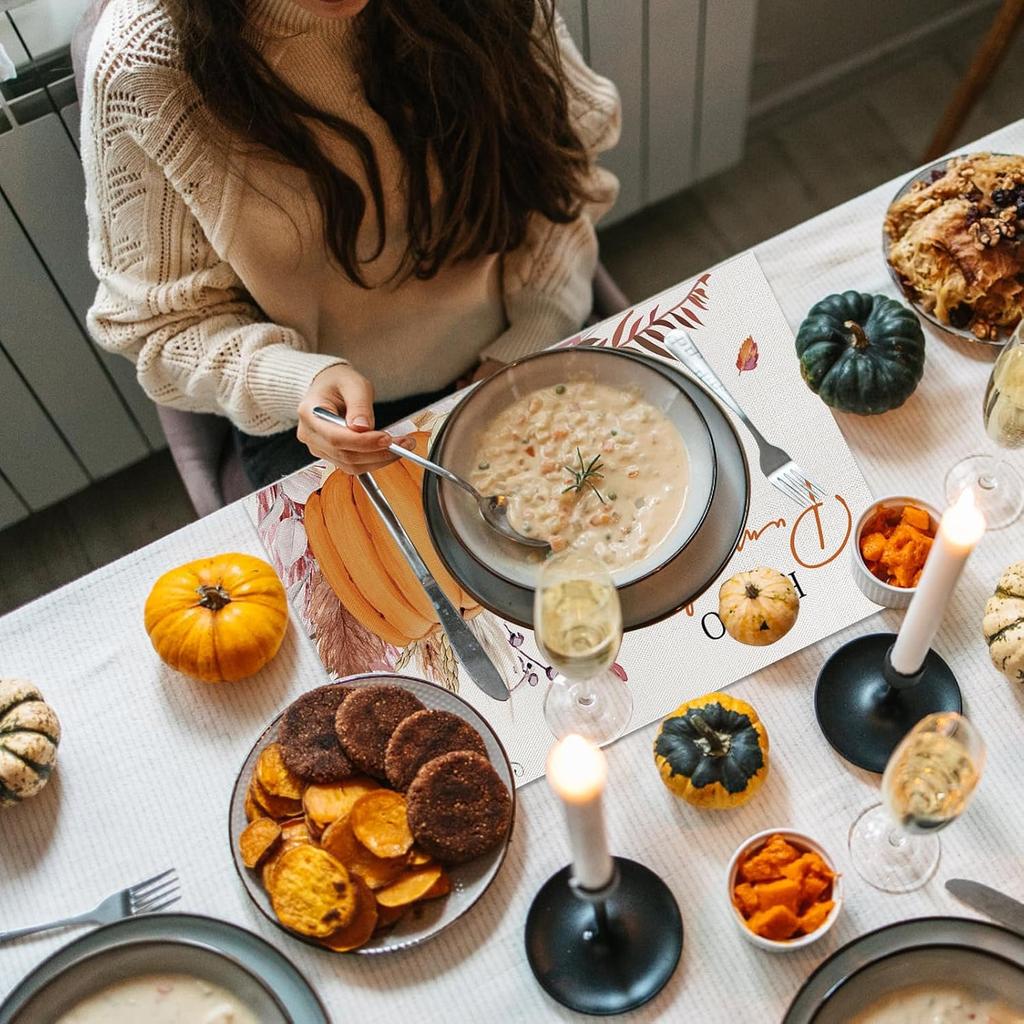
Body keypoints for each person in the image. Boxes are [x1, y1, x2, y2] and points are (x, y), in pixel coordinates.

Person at [81, 0, 620, 486]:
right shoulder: (143, 65)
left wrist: (533, 331)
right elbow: (164, 327)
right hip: (313, 411)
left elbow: (564, 168)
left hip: (518, 335)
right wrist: (295, 383)